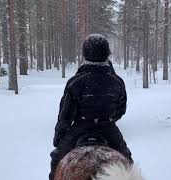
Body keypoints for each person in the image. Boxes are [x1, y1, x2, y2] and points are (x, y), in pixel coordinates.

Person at [49, 34, 133, 180]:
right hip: (108, 128)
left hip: (80, 127)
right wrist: (108, 118)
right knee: (128, 162)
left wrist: (59, 137)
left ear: (85, 54)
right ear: (106, 54)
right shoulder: (117, 82)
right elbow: (121, 110)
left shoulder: (75, 82)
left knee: (57, 158)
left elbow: (65, 115)